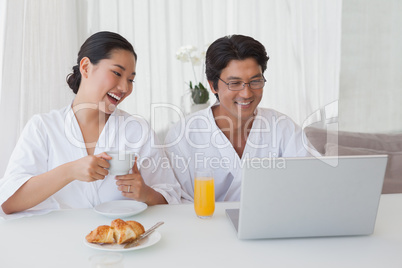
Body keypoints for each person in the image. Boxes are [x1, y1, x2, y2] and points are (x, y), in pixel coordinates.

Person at [0, 31, 181, 215]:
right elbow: (8, 203)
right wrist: (69, 171)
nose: (125, 88)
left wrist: (146, 194)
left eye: (130, 80)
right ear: (86, 67)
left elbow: (171, 199)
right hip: (56, 240)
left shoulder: (137, 130)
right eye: (117, 73)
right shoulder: (43, 127)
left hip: (121, 241)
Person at [164, 34, 319, 202]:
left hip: (270, 225)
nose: (246, 93)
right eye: (234, 83)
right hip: (203, 225)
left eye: (255, 81)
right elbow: (176, 199)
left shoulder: (282, 127)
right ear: (212, 85)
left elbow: (312, 181)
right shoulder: (184, 134)